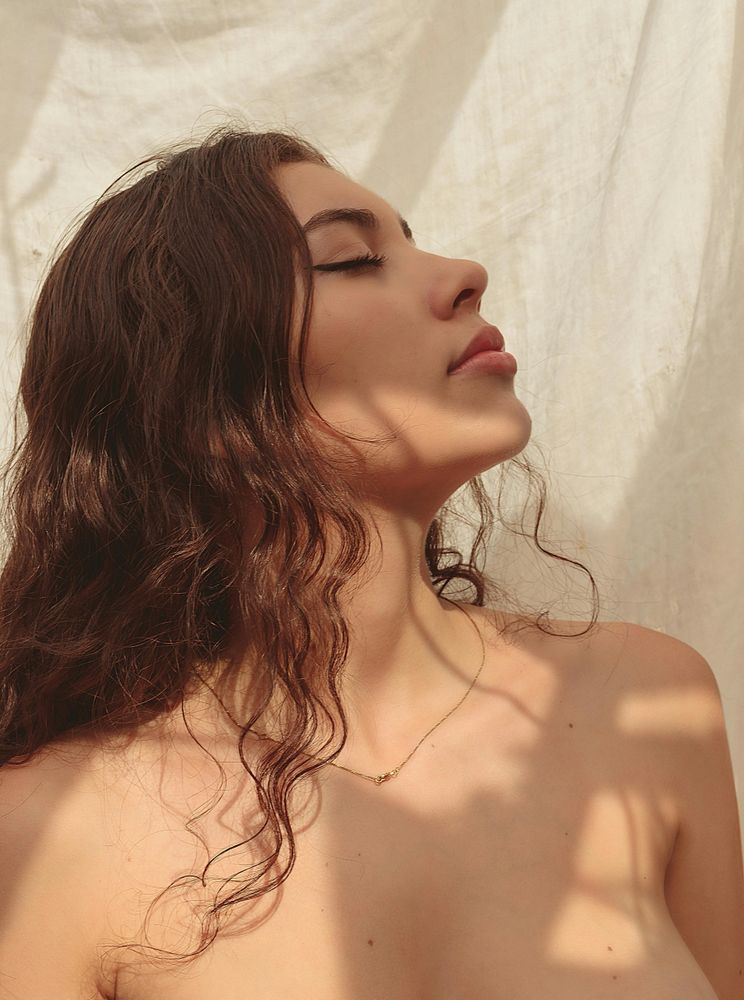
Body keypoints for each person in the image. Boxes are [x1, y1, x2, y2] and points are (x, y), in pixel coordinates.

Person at [0, 123, 742, 1000]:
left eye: (412, 241)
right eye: (352, 261)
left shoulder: (644, 704)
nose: (465, 273)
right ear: (198, 402)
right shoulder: (52, 829)